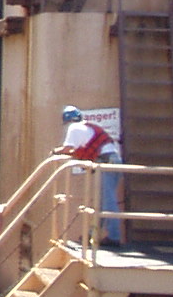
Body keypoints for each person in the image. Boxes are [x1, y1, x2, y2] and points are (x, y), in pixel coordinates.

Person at [53, 105, 123, 247]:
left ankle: (114, 237)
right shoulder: (87, 127)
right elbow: (76, 150)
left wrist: (55, 152)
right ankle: (93, 235)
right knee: (102, 201)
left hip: (105, 163)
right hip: (113, 161)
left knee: (108, 201)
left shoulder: (74, 128)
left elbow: (68, 149)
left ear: (67, 120)